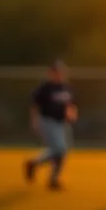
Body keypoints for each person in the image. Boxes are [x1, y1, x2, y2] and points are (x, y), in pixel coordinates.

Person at [25, 59, 76, 190]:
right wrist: (34, 121)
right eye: (56, 72)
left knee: (62, 151)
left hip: (62, 122)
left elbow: (70, 104)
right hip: (47, 121)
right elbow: (34, 105)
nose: (59, 74)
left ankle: (36, 165)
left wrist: (72, 113)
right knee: (59, 149)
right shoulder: (45, 88)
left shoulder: (66, 87)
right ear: (51, 73)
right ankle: (51, 178)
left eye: (61, 72)